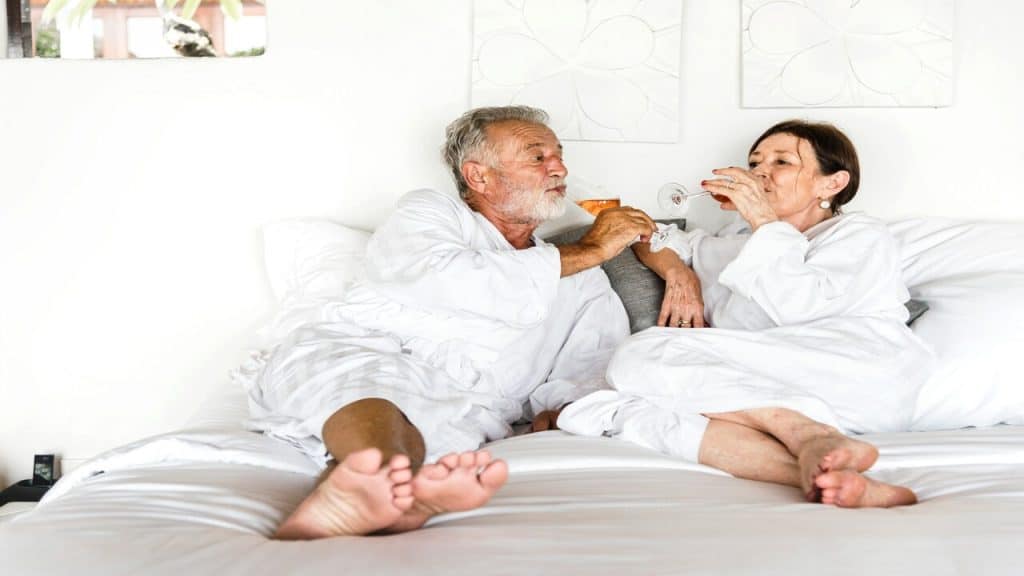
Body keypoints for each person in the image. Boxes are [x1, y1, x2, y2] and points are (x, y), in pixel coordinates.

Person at [244, 105, 657, 539]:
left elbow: (592, 355)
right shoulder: (431, 213)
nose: (559, 167)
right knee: (373, 390)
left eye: (558, 154)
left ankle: (380, 497)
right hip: (368, 351)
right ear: (478, 177)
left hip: (469, 404)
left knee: (436, 427)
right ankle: (373, 484)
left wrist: (569, 406)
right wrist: (591, 248)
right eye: (537, 157)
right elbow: (443, 278)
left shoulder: (582, 279)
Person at [560, 120, 933, 508]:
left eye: (781, 162)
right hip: (754, 386)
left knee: (632, 379)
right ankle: (823, 467)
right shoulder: (733, 238)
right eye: (755, 162)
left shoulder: (859, 235)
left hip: (848, 373)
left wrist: (764, 220)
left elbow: (798, 308)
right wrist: (677, 272)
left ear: (832, 184)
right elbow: (650, 237)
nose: (760, 173)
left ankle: (804, 434)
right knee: (633, 370)